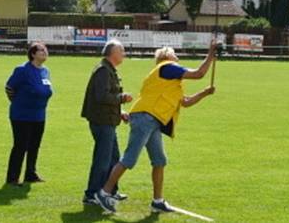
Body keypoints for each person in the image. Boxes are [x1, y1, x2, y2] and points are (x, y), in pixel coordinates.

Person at [96, 41, 218, 213]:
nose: (177, 57)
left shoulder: (170, 79)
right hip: (145, 117)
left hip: (152, 120)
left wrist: (204, 93)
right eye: (175, 54)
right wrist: (211, 54)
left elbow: (186, 102)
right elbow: (199, 73)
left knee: (160, 160)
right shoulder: (167, 67)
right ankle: (104, 193)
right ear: (167, 56)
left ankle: (158, 201)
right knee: (130, 158)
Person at [80, 40, 133, 205]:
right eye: (121, 50)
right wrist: (122, 99)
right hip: (102, 122)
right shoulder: (103, 70)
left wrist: (120, 112)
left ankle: (109, 191)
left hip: (108, 120)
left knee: (113, 157)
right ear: (112, 53)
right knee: (102, 159)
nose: (124, 53)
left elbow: (105, 98)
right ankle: (91, 194)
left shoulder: (109, 69)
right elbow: (102, 97)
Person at [4, 42, 53, 185]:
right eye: (41, 50)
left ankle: (30, 174)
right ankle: (12, 178)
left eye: (45, 50)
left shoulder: (45, 71)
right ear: (33, 54)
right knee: (20, 146)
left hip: (39, 115)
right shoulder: (22, 70)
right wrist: (18, 102)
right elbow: (9, 88)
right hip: (22, 115)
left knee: (34, 145)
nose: (45, 52)